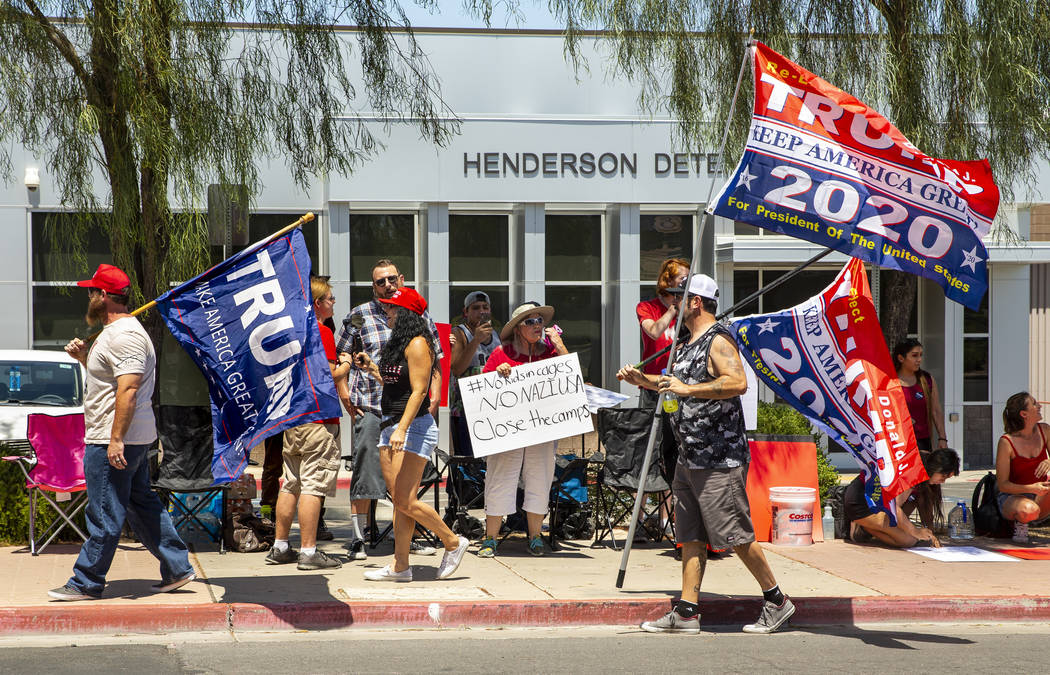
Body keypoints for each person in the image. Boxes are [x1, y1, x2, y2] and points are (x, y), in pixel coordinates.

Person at [617, 274, 794, 635]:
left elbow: (736, 381)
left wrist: (688, 388)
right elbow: (673, 385)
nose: (673, 304)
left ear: (696, 302)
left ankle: (777, 601)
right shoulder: (685, 342)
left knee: (735, 535)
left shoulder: (718, 339)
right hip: (689, 455)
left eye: (679, 298)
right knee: (691, 535)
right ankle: (686, 612)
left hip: (718, 458)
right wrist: (643, 380)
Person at [49, 264, 195, 601]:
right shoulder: (117, 333)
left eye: (92, 292)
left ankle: (86, 582)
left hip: (114, 439)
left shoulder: (125, 335)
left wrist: (116, 439)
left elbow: (128, 389)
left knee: (104, 511)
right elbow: (111, 381)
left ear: (103, 296)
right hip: (131, 437)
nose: (88, 297)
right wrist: (85, 357)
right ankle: (177, 567)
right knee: (141, 504)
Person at [349, 287, 469, 582]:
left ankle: (453, 541)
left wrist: (401, 428)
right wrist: (373, 369)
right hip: (389, 425)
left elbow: (419, 391)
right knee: (401, 500)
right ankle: (400, 566)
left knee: (405, 500)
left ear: (406, 314)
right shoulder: (397, 342)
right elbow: (395, 382)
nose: (386, 312)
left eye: (391, 308)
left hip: (413, 427)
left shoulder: (418, 344)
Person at [336, 259, 443, 561]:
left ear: (401, 279)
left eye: (391, 279)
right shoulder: (359, 315)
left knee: (405, 483)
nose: (386, 285)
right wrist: (344, 392)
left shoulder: (418, 316)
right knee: (366, 471)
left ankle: (406, 540)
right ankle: (359, 537)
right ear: (373, 286)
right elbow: (339, 355)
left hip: (409, 409)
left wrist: (433, 397)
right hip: (371, 404)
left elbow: (435, 360)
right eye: (379, 282)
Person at [264, 277, 348, 570]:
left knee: (291, 483)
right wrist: (347, 363)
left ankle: (281, 545)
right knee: (313, 486)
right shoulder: (321, 332)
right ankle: (309, 552)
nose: (333, 303)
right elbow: (327, 375)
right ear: (317, 304)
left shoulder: (292, 333)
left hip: (295, 418)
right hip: (318, 419)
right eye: (330, 299)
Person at [476, 301, 568, 558]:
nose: (538, 325)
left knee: (540, 479)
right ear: (517, 328)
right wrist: (497, 374)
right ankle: (490, 538)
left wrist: (559, 344)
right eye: (531, 321)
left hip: (542, 430)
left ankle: (536, 537)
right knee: (499, 479)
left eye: (540, 321)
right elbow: (483, 392)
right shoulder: (500, 353)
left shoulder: (550, 353)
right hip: (509, 432)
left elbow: (570, 377)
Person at [635, 258, 688, 540]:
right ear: (668, 281)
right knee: (648, 452)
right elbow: (653, 331)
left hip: (676, 388)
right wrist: (672, 310)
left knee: (674, 452)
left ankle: (668, 519)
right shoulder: (647, 306)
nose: (686, 284)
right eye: (682, 279)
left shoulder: (689, 309)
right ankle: (640, 519)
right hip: (651, 387)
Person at [846, 448, 960, 548]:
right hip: (861, 502)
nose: (943, 481)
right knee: (908, 540)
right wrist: (915, 531)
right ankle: (864, 527)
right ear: (936, 467)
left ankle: (873, 526)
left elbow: (925, 502)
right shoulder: (914, 470)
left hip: (878, 502)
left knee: (910, 531)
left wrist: (930, 533)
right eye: (943, 476)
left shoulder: (926, 462)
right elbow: (894, 508)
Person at [892, 338, 949, 530]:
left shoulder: (926, 379)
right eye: (914, 356)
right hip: (899, 443)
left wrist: (942, 437)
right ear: (901, 358)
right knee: (904, 487)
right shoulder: (890, 381)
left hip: (923, 442)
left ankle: (929, 527)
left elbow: (936, 411)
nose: (919, 360)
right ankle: (897, 523)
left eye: (921, 355)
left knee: (927, 485)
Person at [449, 291, 501, 457]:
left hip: (491, 405)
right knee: (467, 458)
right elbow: (456, 369)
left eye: (485, 307)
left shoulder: (495, 334)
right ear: (466, 312)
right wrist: (476, 340)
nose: (481, 311)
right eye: (476, 308)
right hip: (465, 407)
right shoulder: (459, 333)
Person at [995, 393, 1050, 542]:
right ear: (1024, 414)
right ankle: (1020, 523)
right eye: (1034, 404)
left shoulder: (1045, 430)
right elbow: (1003, 485)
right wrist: (1032, 488)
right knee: (1028, 510)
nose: (1039, 406)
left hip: (1040, 494)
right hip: (1012, 497)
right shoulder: (1006, 442)